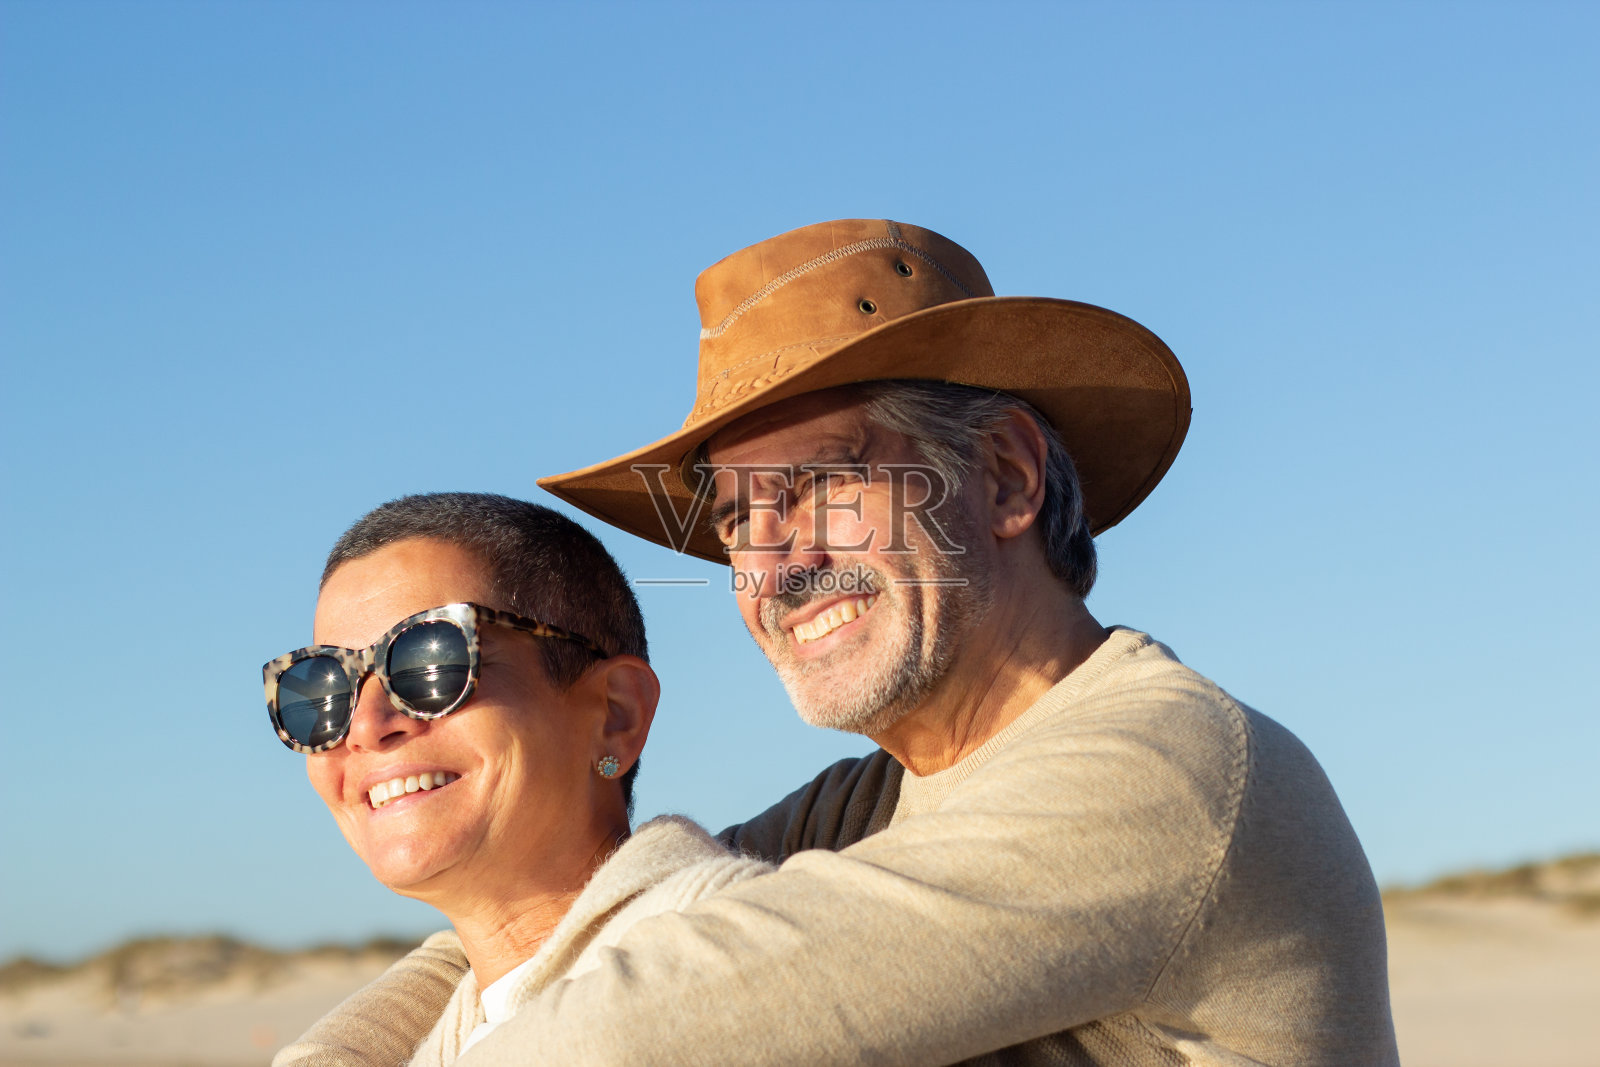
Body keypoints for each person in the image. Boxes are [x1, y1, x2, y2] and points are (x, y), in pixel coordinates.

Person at [278, 220, 1399, 1064]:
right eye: (734, 521)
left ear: (1005, 477)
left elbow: (629, 1027)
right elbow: (563, 916)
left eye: (815, 488)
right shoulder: (875, 805)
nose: (770, 567)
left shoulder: (1161, 771)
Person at [265, 493, 770, 1066]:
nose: (363, 726)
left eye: (430, 664)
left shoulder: (752, 973)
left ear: (615, 714)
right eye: (322, 692)